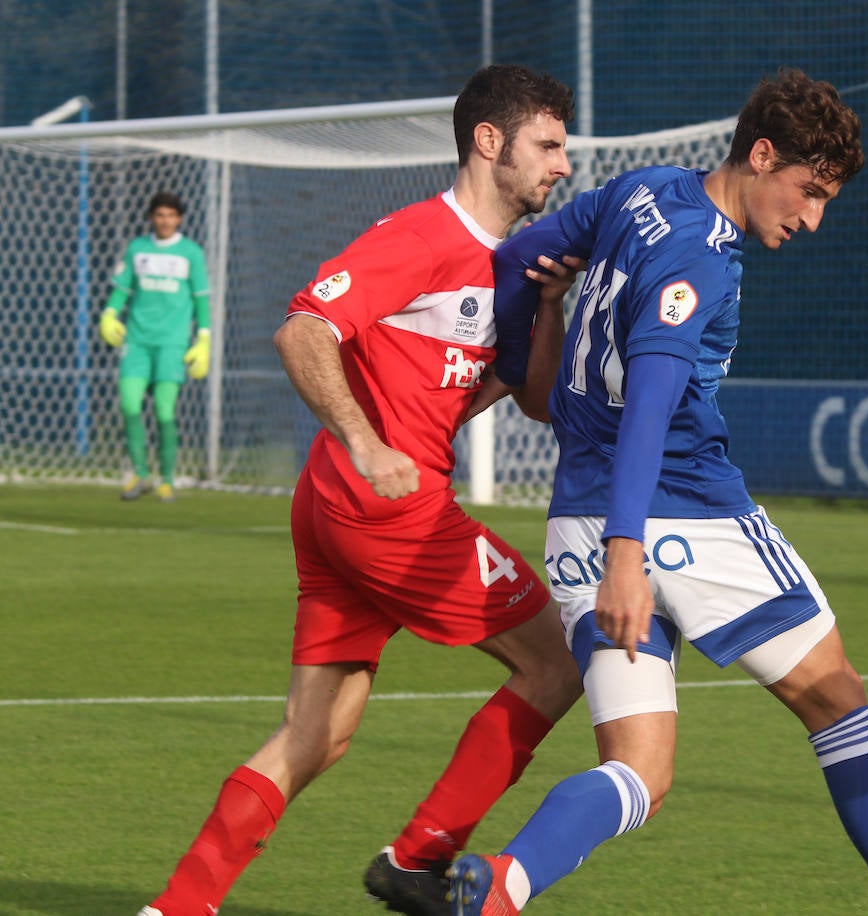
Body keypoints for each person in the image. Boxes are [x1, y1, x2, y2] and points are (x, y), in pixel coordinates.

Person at [448, 68, 868, 915]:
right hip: (678, 517)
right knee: (836, 696)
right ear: (760, 154)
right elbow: (650, 401)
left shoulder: (639, 192)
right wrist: (629, 554)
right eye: (808, 190)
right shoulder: (702, 262)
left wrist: (530, 367)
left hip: (574, 519)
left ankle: (502, 883)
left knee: (640, 771)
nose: (813, 216)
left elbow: (522, 257)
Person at [137, 64, 586, 916]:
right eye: (549, 145)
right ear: (489, 143)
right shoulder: (421, 238)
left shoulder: (514, 265)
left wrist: (553, 305)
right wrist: (368, 441)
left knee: (318, 735)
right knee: (560, 660)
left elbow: (529, 396)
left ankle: (179, 907)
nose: (562, 165)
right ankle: (420, 858)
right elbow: (303, 328)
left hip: (340, 509)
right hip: (386, 510)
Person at [99, 191, 212, 503]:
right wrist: (109, 313)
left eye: (171, 215)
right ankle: (139, 473)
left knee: (164, 413)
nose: (165, 221)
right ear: (152, 217)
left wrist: (204, 338)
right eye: (160, 215)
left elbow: (201, 299)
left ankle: (166, 480)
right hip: (136, 342)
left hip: (172, 344)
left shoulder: (191, 253)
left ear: (179, 219)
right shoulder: (137, 249)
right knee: (130, 406)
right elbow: (121, 290)